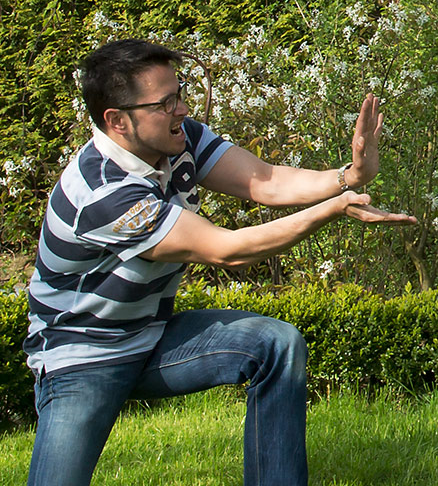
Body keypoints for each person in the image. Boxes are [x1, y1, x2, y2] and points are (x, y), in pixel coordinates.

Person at [24, 39, 416, 486]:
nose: (183, 109)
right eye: (166, 102)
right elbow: (226, 249)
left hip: (151, 338)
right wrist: (333, 208)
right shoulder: (103, 193)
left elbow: (266, 182)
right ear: (117, 121)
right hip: (82, 355)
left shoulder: (178, 139)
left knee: (276, 345)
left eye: (180, 93)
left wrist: (349, 176)